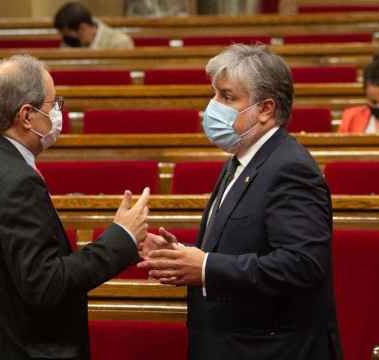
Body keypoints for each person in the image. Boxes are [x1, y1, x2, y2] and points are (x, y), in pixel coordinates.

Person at [0, 54, 150, 360]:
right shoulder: (17, 180)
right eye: (53, 104)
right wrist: (121, 237)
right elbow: (45, 284)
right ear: (26, 116)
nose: (58, 112)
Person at [138, 44, 343, 360]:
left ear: (265, 109)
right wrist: (180, 257)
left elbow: (302, 265)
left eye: (227, 97)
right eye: (215, 94)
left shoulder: (290, 167)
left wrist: (206, 267)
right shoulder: (242, 159)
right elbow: (243, 245)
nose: (213, 106)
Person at [54, 2, 134, 49]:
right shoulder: (68, 43)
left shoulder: (119, 43)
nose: (66, 40)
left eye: (68, 35)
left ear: (83, 28)